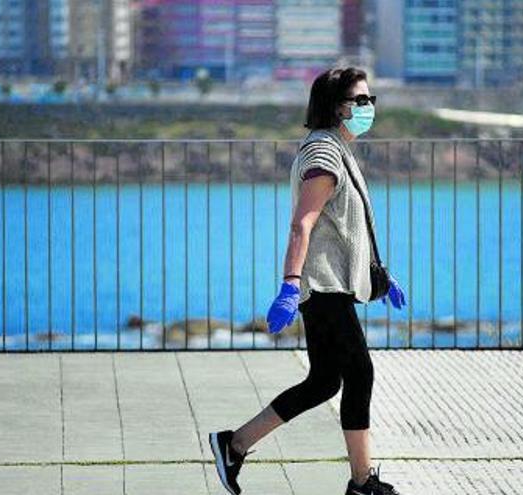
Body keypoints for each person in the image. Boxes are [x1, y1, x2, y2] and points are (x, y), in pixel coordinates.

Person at [207, 67, 407, 495]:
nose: (369, 108)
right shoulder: (324, 154)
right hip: (323, 287)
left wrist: (380, 277)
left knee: (324, 381)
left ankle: (234, 444)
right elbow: (303, 223)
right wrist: (289, 285)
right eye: (361, 101)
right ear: (338, 107)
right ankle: (361, 482)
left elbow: (344, 229)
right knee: (360, 373)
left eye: (371, 100)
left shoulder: (336, 148)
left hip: (331, 285)